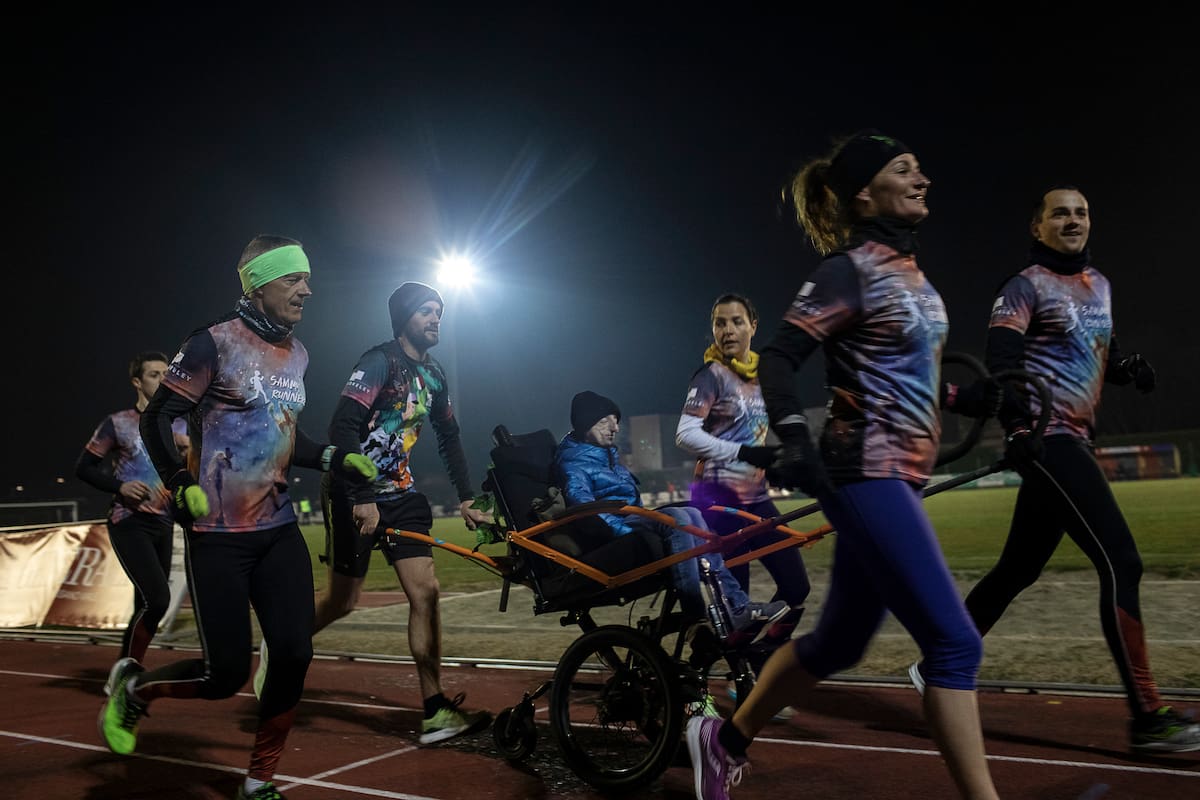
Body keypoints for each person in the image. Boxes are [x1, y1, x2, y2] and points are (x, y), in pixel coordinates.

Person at [687, 130, 1001, 800]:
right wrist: (796, 438)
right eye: (904, 168)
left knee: (837, 646)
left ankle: (724, 740)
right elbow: (779, 358)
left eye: (921, 166)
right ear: (865, 192)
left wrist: (963, 396)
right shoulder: (847, 269)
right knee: (955, 647)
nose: (922, 177)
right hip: (863, 472)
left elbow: (901, 373)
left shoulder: (913, 275)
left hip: (898, 474)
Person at [910, 185, 1200, 753]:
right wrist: (1020, 429)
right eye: (1059, 213)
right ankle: (1148, 718)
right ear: (1037, 227)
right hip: (1050, 441)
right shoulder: (1023, 287)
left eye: (1081, 212)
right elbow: (1004, 368)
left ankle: (935, 666)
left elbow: (1098, 351)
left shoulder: (1101, 285)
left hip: (1076, 442)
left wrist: (1127, 369)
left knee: (1017, 569)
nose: (1072, 220)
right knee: (1123, 562)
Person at [97, 234, 377, 800]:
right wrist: (178, 484)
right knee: (226, 676)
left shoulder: (297, 353)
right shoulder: (211, 344)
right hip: (218, 536)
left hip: (277, 530)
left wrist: (331, 457)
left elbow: (282, 436)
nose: (308, 289)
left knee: (295, 653)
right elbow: (158, 420)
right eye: (294, 279)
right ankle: (137, 693)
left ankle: (259, 780)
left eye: (308, 278)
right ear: (259, 282)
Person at [266, 280, 490, 745]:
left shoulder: (435, 375)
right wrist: (362, 493)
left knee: (425, 591)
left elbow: (449, 437)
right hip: (352, 490)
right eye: (426, 311)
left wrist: (467, 496)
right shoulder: (378, 363)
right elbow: (341, 426)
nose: (435, 320)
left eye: (439, 312)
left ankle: (434, 712)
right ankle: (281, 647)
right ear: (405, 317)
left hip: (403, 497)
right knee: (342, 602)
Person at [554, 390, 789, 636]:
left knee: (691, 512)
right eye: (605, 421)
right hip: (615, 532)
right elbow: (585, 510)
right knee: (677, 519)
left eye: (616, 421)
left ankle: (736, 606)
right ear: (584, 425)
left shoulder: (606, 456)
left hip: (633, 518)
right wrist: (625, 534)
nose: (614, 428)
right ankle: (694, 613)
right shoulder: (572, 463)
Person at [676, 292, 812, 615]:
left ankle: (763, 651)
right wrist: (745, 453)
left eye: (736, 322)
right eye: (720, 323)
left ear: (753, 326)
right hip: (718, 501)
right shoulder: (710, 375)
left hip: (756, 497)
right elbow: (684, 433)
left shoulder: (762, 375)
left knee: (797, 585)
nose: (728, 331)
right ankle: (741, 659)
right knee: (739, 605)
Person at [76, 350, 189, 693]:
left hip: (165, 521)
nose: (163, 379)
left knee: (146, 603)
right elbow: (83, 468)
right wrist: (120, 486)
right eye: (155, 374)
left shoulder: (181, 424)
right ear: (137, 382)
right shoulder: (119, 422)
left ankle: (125, 672)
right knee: (157, 599)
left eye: (167, 373)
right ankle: (124, 675)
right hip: (129, 520)